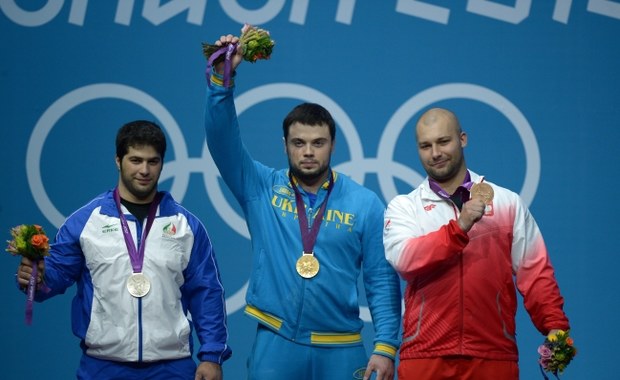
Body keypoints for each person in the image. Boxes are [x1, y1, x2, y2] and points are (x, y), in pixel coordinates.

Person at [203, 34, 401, 380]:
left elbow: (381, 281)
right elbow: (222, 141)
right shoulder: (261, 188)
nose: (308, 151)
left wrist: (385, 346)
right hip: (276, 342)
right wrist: (222, 81)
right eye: (299, 143)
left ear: (333, 145)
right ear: (285, 146)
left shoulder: (364, 203)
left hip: (342, 347)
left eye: (318, 143)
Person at [16, 120, 232, 380]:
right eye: (135, 160)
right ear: (118, 161)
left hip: (172, 368)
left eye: (153, 161)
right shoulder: (86, 222)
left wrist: (211, 356)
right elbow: (55, 276)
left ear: (162, 164)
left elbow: (206, 293)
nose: (144, 170)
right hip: (102, 367)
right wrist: (36, 280)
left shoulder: (186, 226)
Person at [382, 108, 571, 379]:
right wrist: (459, 227)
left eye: (443, 141)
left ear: (463, 139)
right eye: (425, 146)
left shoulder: (507, 203)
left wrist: (554, 325)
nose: (435, 153)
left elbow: (536, 272)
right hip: (426, 355)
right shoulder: (404, 207)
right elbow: (405, 260)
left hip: (493, 354)